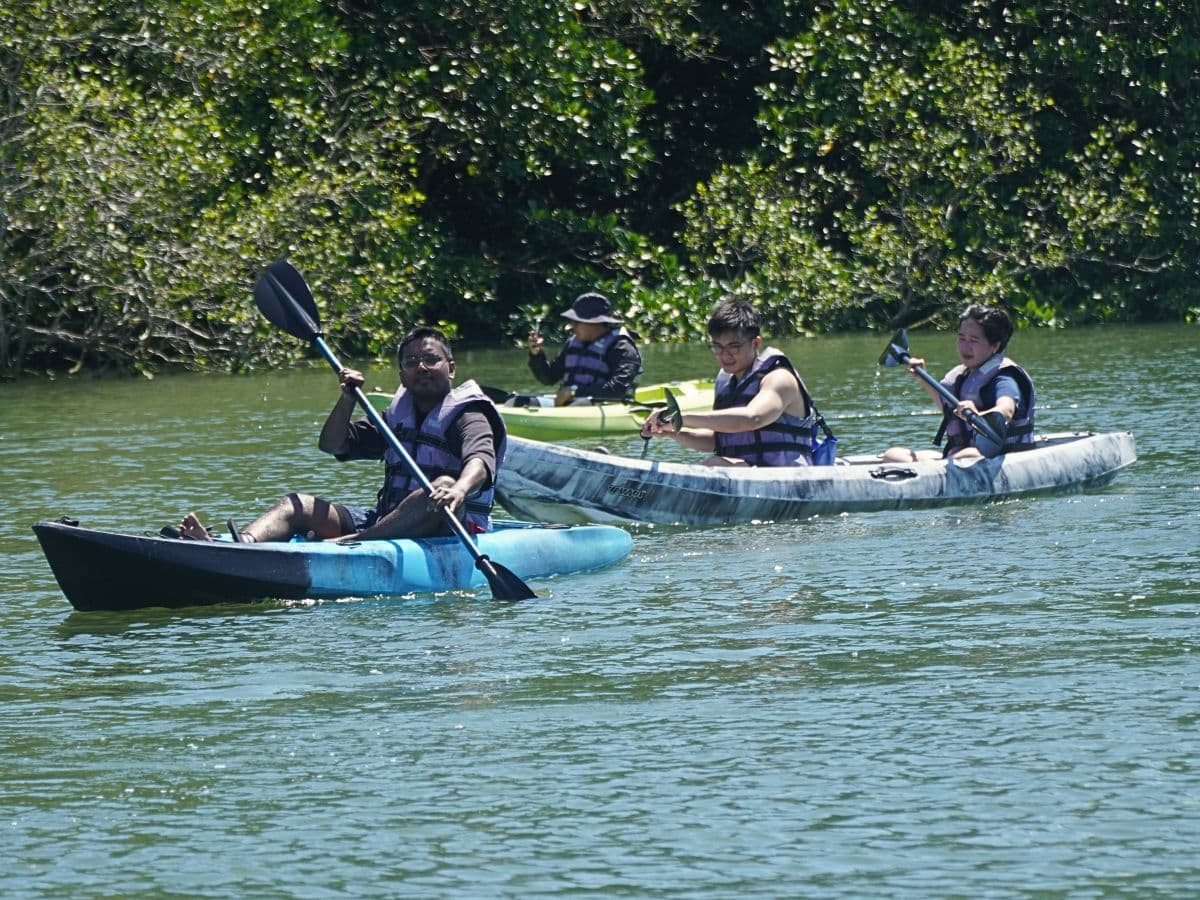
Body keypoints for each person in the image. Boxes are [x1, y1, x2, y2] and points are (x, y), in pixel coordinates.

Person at [177, 326, 507, 543]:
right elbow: (333, 444)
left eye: (431, 360)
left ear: (451, 368)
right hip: (385, 522)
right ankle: (243, 547)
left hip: (449, 527)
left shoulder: (469, 414)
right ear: (401, 375)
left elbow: (480, 460)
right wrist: (347, 399)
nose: (421, 367)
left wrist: (460, 490)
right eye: (411, 362)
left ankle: (348, 544)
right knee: (297, 505)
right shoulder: (397, 418)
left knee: (442, 487)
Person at [640, 298, 819, 467]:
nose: (724, 355)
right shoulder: (727, 384)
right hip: (748, 475)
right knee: (714, 462)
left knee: (713, 464)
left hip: (790, 480)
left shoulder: (779, 379)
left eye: (734, 347)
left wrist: (682, 418)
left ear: (755, 343)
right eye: (718, 346)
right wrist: (672, 433)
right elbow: (717, 441)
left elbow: (753, 418)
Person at [881, 304, 1035, 462]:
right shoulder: (964, 375)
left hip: (998, 456)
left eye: (973, 341)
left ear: (995, 346)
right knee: (893, 454)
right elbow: (949, 409)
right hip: (958, 455)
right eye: (962, 338)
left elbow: (1006, 410)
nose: (965, 347)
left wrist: (978, 415)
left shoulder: (1004, 377)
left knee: (968, 455)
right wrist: (923, 378)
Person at [526, 291, 643, 406]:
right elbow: (549, 378)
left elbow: (618, 390)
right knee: (516, 402)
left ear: (595, 323)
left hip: (603, 408)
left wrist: (574, 391)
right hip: (571, 405)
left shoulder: (622, 347)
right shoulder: (573, 343)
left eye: (577, 322)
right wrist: (536, 355)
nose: (572, 326)